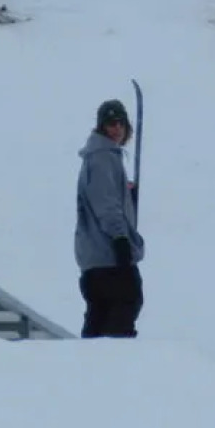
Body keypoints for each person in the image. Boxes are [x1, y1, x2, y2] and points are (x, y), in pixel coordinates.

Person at [74, 98, 145, 337]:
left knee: (100, 314)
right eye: (110, 123)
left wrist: (126, 195)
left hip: (94, 258)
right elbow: (105, 205)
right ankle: (115, 359)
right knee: (128, 300)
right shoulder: (103, 157)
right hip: (107, 254)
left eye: (120, 123)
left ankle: (92, 363)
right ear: (101, 126)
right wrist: (120, 238)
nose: (116, 128)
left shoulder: (100, 157)